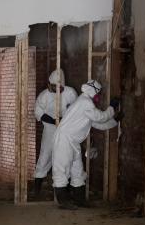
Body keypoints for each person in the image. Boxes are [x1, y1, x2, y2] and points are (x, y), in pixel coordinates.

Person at [51, 80, 121, 209]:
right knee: (62, 168)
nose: (98, 97)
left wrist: (114, 121)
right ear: (93, 91)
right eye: (98, 94)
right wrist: (111, 108)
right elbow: (100, 117)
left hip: (73, 141)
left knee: (77, 170)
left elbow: (97, 124)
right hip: (64, 139)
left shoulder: (84, 104)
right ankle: (63, 202)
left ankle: (79, 199)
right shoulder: (85, 102)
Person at [32, 69, 78, 197]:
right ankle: (36, 189)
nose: (51, 88)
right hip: (50, 129)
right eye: (51, 85)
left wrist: (64, 121)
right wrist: (52, 121)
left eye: (54, 86)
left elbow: (75, 111)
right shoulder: (44, 95)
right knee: (45, 155)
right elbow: (38, 112)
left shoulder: (70, 93)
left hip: (66, 130)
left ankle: (66, 190)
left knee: (66, 156)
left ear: (61, 85)